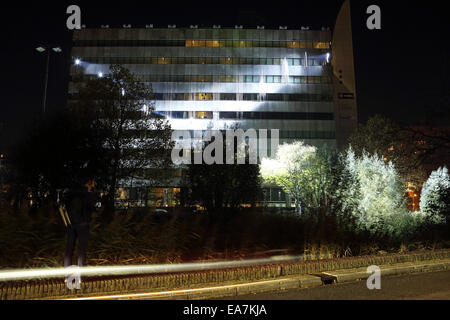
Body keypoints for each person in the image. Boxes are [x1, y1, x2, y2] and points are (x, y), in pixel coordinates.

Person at [62, 178, 97, 267]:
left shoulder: (69, 194)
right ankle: (80, 276)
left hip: (70, 225)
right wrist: (92, 192)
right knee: (81, 251)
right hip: (83, 225)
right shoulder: (87, 194)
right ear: (90, 183)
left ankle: (67, 276)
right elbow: (93, 207)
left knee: (69, 250)